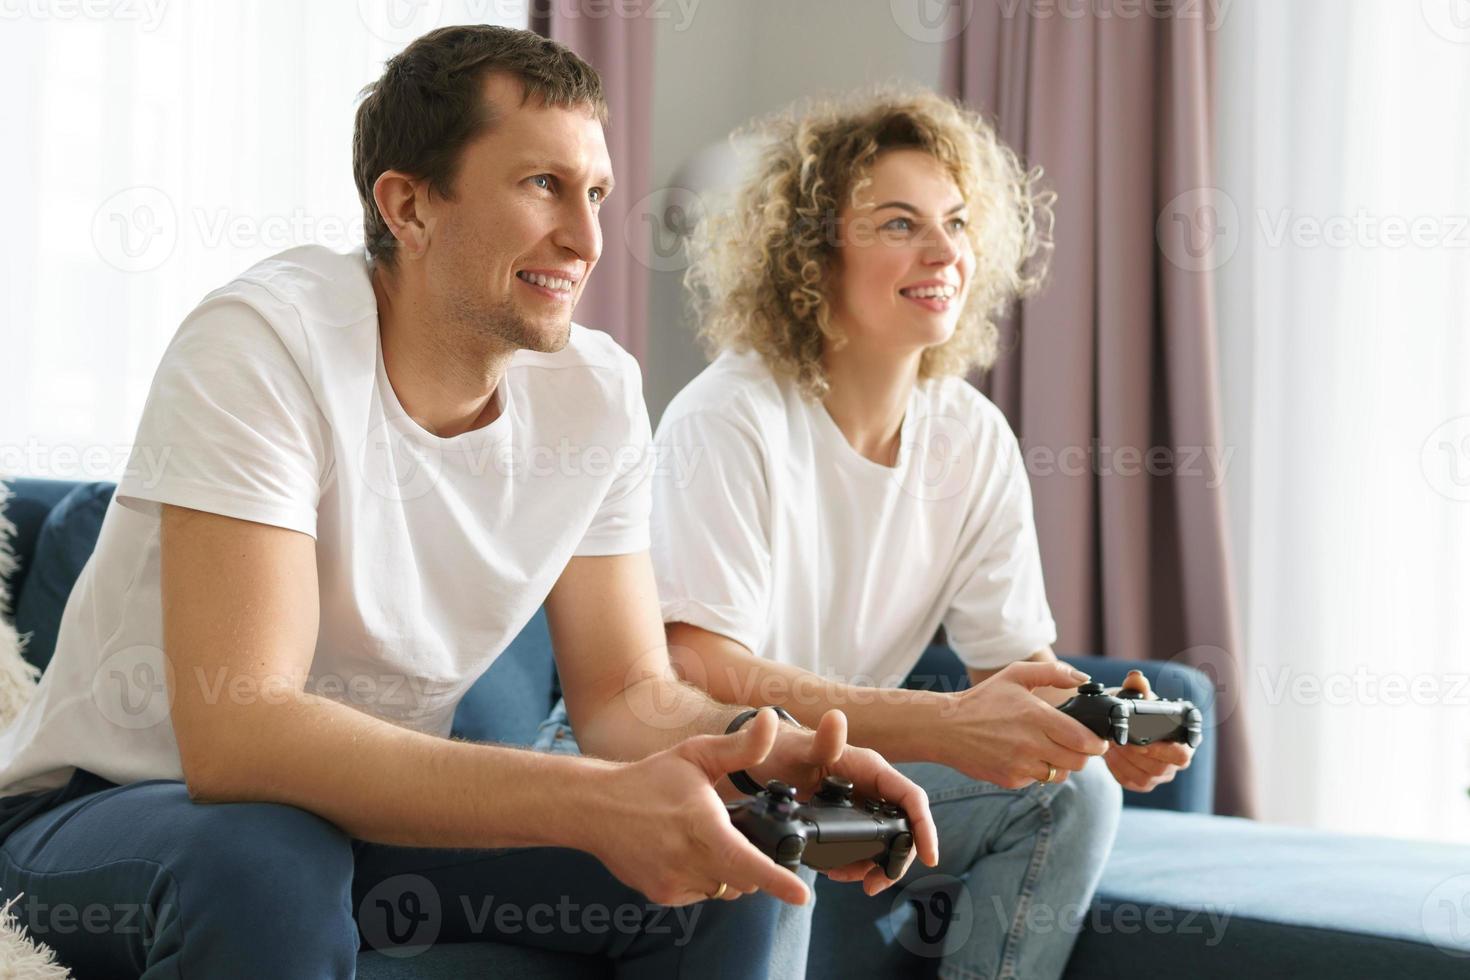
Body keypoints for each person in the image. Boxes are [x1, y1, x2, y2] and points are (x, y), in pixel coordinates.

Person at [0, 28, 937, 978]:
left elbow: (623, 697)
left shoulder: (595, 393)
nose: (587, 237)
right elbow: (243, 734)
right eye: (542, 186)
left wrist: (757, 755)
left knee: (732, 852)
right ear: (408, 206)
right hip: (109, 812)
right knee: (266, 856)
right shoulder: (262, 345)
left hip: (368, 820)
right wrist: (590, 802)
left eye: (597, 193)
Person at [539, 88, 1193, 979]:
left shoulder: (971, 435)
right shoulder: (731, 417)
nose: (943, 253)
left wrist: (1088, 732)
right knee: (764, 800)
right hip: (689, 751)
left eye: (956, 224)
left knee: (1068, 796)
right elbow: (698, 667)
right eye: (898, 224)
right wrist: (944, 722)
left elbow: (1012, 673)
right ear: (814, 253)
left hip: (840, 764)